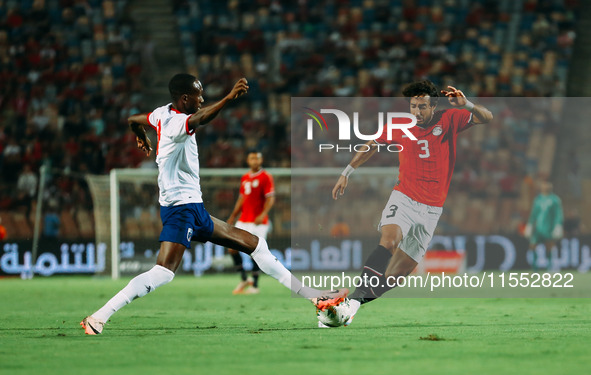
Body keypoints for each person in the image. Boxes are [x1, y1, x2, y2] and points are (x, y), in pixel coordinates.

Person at [81, 73, 346, 335]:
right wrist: (228, 98)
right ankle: (99, 317)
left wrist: (140, 132)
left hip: (195, 209)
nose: (202, 98)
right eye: (199, 94)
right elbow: (201, 117)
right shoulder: (175, 123)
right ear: (185, 99)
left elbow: (133, 119)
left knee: (256, 244)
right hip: (180, 210)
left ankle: (315, 297)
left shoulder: (161, 114)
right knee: (163, 273)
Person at [331, 80, 493, 326]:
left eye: (423, 107)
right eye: (413, 106)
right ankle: (351, 307)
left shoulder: (449, 119)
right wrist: (347, 172)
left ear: (433, 106)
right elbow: (371, 145)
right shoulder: (398, 125)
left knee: (397, 275)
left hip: (432, 210)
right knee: (389, 241)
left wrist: (467, 104)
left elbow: (487, 117)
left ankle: (351, 302)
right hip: (404, 198)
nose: (417, 112)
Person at [227, 150, 275, 295]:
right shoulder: (245, 177)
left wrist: (263, 214)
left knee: (257, 252)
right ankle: (243, 279)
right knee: (231, 248)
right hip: (243, 220)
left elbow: (270, 198)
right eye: (252, 158)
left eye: (257, 158)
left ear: (261, 160)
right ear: (248, 160)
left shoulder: (266, 177)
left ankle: (255, 285)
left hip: (258, 222)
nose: (254, 161)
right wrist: (233, 216)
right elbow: (241, 199)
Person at [524, 180, 564, 270]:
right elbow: (533, 214)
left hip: (549, 228)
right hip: (538, 228)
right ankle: (534, 269)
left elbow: (558, 214)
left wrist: (558, 225)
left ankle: (549, 268)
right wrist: (529, 225)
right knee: (532, 246)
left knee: (549, 247)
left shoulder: (555, 200)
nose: (545, 187)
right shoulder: (538, 199)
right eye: (544, 185)